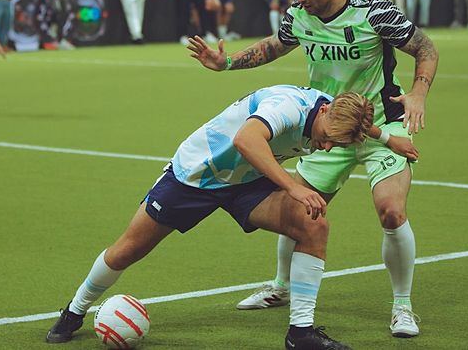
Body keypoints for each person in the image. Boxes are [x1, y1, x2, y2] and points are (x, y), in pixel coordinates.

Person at [186, 0, 439, 339]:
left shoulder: (374, 10)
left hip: (381, 124)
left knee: (391, 212)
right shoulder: (299, 14)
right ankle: (281, 286)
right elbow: (275, 45)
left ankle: (402, 307)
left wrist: (419, 94)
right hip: (326, 132)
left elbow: (425, 49)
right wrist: (229, 62)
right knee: (299, 212)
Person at [46, 85, 418, 350]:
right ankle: (75, 310)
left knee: (313, 223)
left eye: (336, 144)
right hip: (197, 175)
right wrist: (292, 187)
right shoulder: (288, 106)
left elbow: (357, 123)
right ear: (323, 111)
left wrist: (388, 139)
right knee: (128, 249)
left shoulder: (336, 114)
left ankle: (301, 333)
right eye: (327, 138)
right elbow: (246, 140)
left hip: (247, 181)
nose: (326, 146)